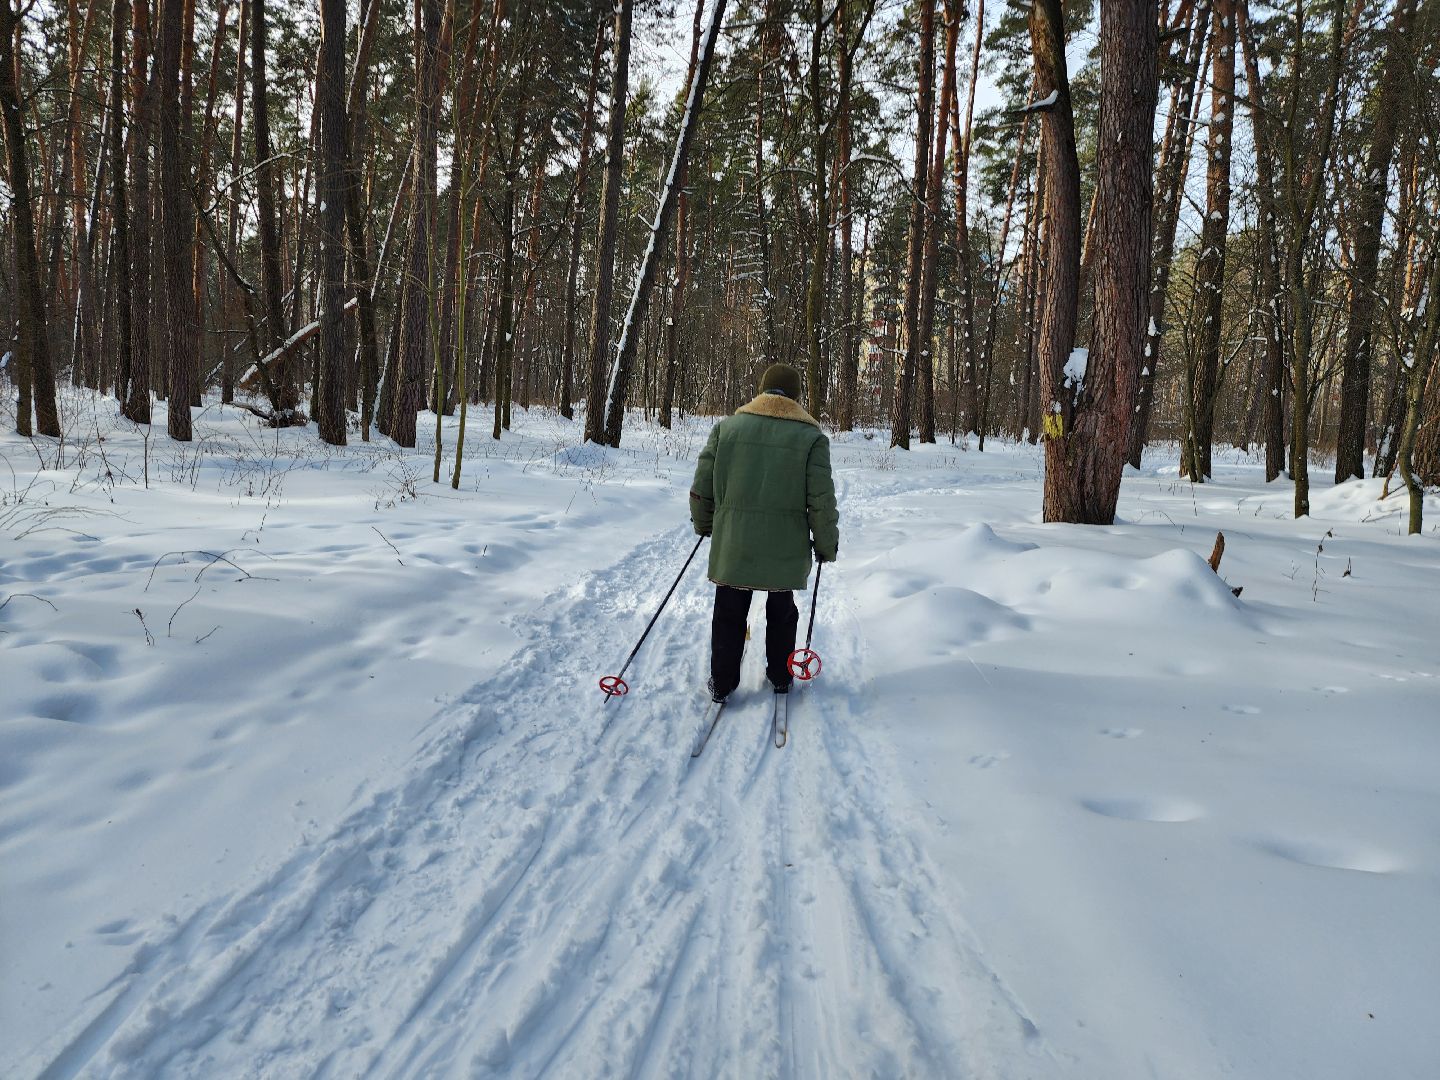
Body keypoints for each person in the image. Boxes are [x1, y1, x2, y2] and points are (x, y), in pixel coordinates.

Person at [689, 363, 839, 703]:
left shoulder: (727, 429)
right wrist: (826, 544)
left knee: (729, 610)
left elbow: (701, 488)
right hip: (784, 546)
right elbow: (821, 501)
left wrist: (706, 525)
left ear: (761, 390)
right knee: (781, 609)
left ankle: (722, 681)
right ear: (796, 396)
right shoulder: (811, 439)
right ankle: (781, 676)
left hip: (735, 543)